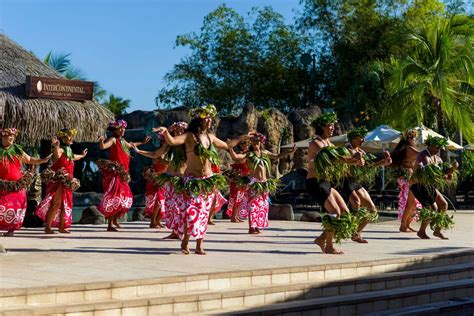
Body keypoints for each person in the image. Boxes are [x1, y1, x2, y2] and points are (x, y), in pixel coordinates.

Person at [154, 104, 248, 255]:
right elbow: (173, 142)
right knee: (192, 213)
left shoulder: (210, 137)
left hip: (207, 180)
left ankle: (199, 245)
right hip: (192, 181)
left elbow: (227, 145)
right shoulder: (190, 136)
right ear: (199, 119)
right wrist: (165, 132)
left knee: (203, 215)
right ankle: (185, 242)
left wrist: (242, 137)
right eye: (207, 118)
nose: (210, 120)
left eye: (211, 118)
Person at [305, 112, 362, 254]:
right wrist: (351, 159)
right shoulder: (315, 143)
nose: (333, 128)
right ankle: (329, 246)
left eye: (333, 125)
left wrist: (355, 160)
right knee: (335, 212)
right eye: (330, 125)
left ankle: (321, 239)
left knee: (345, 213)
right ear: (322, 126)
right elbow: (333, 157)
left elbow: (339, 158)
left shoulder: (329, 143)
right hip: (315, 182)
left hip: (326, 182)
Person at [228, 132, 296, 234]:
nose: (256, 143)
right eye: (254, 142)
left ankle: (257, 226)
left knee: (263, 206)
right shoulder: (249, 154)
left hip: (264, 183)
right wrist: (230, 148)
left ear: (261, 142)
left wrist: (289, 152)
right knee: (253, 205)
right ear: (251, 143)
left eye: (258, 142)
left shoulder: (264, 153)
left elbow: (277, 156)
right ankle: (251, 227)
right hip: (253, 182)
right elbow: (236, 157)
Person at [97, 120, 150, 231]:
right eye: (119, 128)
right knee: (115, 197)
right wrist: (101, 141)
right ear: (114, 130)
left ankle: (115, 220)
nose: (122, 130)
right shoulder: (113, 140)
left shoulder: (122, 140)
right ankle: (110, 225)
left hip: (123, 174)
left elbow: (131, 145)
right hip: (115, 174)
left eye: (123, 128)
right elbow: (103, 147)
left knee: (125, 198)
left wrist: (142, 142)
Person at [342, 126, 392, 243]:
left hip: (356, 182)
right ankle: (344, 226)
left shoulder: (361, 151)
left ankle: (356, 233)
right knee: (356, 203)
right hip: (345, 182)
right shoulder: (346, 149)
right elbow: (350, 162)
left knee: (372, 210)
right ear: (353, 138)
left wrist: (382, 162)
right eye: (361, 137)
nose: (363, 140)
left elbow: (367, 166)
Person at [0, 128, 50, 236]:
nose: (10, 138)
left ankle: (11, 230)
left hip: (17, 185)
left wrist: (42, 160)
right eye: (8, 136)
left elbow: (29, 159)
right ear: (2, 137)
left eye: (12, 137)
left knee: (17, 207)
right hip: (2, 185)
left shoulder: (18, 150)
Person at [36, 129, 87, 234]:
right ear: (63, 138)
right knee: (56, 204)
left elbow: (73, 157)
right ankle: (47, 227)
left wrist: (82, 155)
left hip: (67, 183)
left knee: (66, 204)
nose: (71, 138)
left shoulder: (68, 151)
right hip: (59, 182)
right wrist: (56, 146)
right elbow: (57, 154)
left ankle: (62, 227)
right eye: (69, 136)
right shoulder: (61, 150)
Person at [409, 136, 458, 240]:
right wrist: (444, 176)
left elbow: (444, 171)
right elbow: (429, 174)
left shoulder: (437, 158)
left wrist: (452, 169)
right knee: (431, 209)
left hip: (428, 185)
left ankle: (437, 231)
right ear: (430, 145)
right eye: (436, 147)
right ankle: (421, 232)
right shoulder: (423, 155)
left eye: (440, 147)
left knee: (443, 204)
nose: (439, 149)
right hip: (418, 185)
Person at [390, 129, 422, 232]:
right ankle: (403, 225)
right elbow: (421, 155)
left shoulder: (407, 148)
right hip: (407, 177)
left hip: (408, 176)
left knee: (412, 202)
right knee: (411, 202)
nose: (416, 141)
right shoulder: (409, 149)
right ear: (411, 139)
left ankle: (407, 224)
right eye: (415, 139)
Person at [226, 140, 251, 223]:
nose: (245, 145)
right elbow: (235, 157)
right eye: (243, 143)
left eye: (247, 144)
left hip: (244, 178)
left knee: (240, 198)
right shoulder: (241, 154)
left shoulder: (249, 154)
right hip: (238, 178)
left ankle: (235, 215)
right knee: (236, 197)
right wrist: (231, 148)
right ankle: (233, 216)